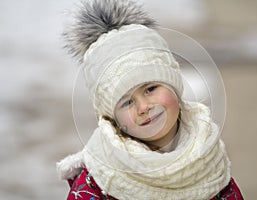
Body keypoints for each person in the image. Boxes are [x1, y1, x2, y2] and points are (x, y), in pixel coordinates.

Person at [56, 0, 244, 199]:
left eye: (151, 89)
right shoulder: (97, 182)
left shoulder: (209, 159)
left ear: (174, 85)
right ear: (113, 119)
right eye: (127, 102)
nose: (144, 107)